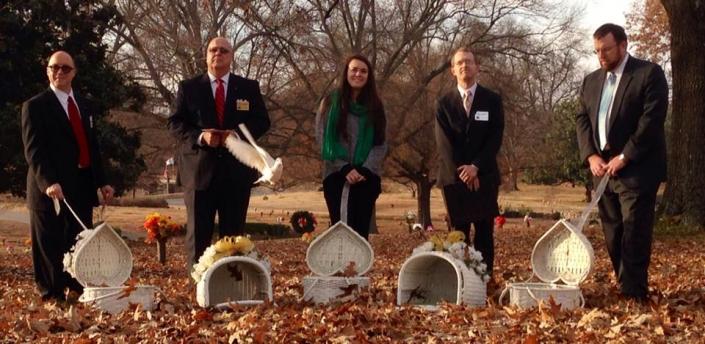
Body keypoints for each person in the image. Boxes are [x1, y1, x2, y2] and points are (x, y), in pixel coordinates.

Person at [576, 23, 668, 300]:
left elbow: (651, 120)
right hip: (602, 171)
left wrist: (625, 156)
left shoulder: (648, 74)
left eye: (606, 50)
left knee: (634, 231)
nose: (601, 56)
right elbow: (581, 118)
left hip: (638, 169)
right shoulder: (591, 81)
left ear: (623, 45)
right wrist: (590, 155)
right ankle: (625, 284)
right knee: (613, 233)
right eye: (597, 51)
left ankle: (634, 293)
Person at [168, 37, 270, 272]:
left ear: (231, 56)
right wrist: (201, 137)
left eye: (223, 50)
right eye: (213, 50)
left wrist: (237, 136)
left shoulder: (248, 88)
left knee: (233, 236)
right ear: (206, 56)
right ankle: (197, 285)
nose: (218, 54)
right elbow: (174, 123)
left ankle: (230, 282)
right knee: (198, 235)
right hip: (199, 174)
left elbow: (263, 121)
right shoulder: (189, 88)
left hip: (236, 173)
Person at [21, 51, 114, 302]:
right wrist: (47, 182)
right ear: (47, 71)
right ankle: (51, 294)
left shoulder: (84, 105)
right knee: (49, 244)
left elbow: (92, 147)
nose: (59, 72)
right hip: (50, 189)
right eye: (54, 67)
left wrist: (102, 181)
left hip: (81, 186)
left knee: (79, 241)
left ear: (74, 72)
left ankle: (76, 289)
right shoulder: (35, 106)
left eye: (65, 68)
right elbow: (34, 151)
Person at [435, 47, 504, 276]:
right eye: (460, 63)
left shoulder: (492, 100)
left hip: (484, 177)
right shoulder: (443, 104)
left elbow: (495, 138)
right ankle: (461, 280)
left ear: (477, 67)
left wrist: (476, 167)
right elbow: (444, 144)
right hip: (454, 180)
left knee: (484, 232)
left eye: (469, 62)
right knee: (458, 234)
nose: (465, 66)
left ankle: (484, 280)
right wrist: (463, 172)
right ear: (453, 70)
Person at [315, 54, 387, 240]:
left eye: (363, 71)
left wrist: (365, 168)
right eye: (354, 69)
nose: (358, 74)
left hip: (366, 177)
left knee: (360, 234)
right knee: (340, 231)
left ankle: (359, 269)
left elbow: (380, 143)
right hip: (336, 175)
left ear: (368, 76)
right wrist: (344, 167)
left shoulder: (376, 106)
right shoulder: (330, 102)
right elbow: (323, 138)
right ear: (346, 73)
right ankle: (339, 269)